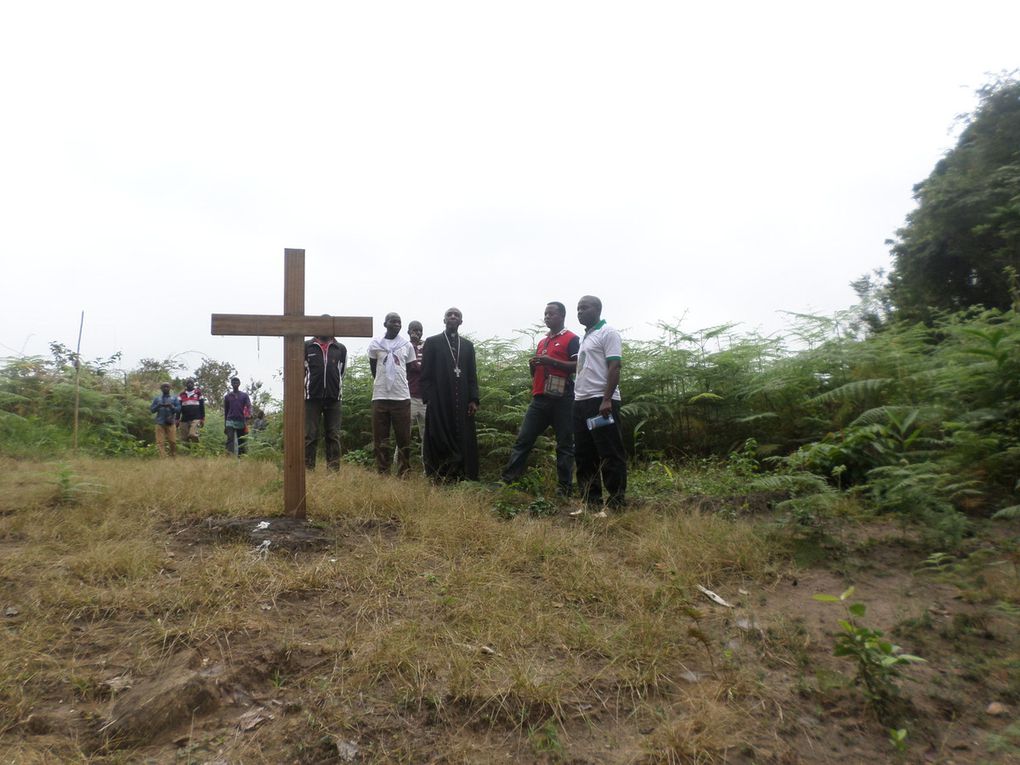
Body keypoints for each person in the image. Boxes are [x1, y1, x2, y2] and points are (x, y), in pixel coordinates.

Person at [501, 302, 579, 496]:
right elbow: (536, 372)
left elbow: (577, 366)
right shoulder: (543, 342)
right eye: (545, 314)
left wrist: (550, 361)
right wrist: (534, 365)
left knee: (564, 444)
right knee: (524, 438)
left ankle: (565, 488)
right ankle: (509, 481)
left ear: (562, 316)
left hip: (563, 398)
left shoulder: (572, 338)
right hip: (540, 398)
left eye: (550, 314)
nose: (546, 317)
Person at [571, 295, 627, 515]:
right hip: (580, 402)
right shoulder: (585, 337)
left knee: (610, 453)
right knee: (584, 455)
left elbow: (614, 367)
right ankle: (590, 503)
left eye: (584, 307)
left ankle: (615, 505)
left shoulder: (608, 333)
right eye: (577, 308)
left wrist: (606, 399)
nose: (579, 312)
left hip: (601, 401)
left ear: (597, 309)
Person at [420, 307, 480, 482]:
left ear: (461, 322)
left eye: (457, 315)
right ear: (444, 320)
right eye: (449, 315)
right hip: (439, 400)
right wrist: (429, 399)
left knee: (463, 436)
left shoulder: (468, 346)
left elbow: (471, 375)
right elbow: (425, 375)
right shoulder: (432, 342)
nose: (453, 317)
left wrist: (474, 399)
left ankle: (463, 475)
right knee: (439, 436)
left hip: (462, 401)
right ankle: (439, 476)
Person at [367, 312, 416, 476]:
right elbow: (374, 368)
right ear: (385, 324)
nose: (397, 324)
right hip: (380, 397)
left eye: (399, 322)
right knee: (381, 440)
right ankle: (383, 473)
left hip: (401, 398)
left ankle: (404, 473)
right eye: (393, 321)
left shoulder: (406, 345)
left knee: (403, 439)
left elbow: (408, 369)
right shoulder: (375, 344)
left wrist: (396, 381)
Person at [304, 328, 347, 470]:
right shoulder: (306, 346)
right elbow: (301, 371)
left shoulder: (340, 348)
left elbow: (342, 372)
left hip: (334, 398)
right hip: (311, 398)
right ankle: (308, 469)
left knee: (333, 435)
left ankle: (333, 471)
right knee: (310, 435)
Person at [406, 320, 427, 441]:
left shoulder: (427, 346)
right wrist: (413, 344)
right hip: (410, 396)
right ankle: (399, 460)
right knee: (404, 433)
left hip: (425, 398)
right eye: (414, 330)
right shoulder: (404, 346)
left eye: (420, 330)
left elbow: (430, 367)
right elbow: (411, 366)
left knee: (426, 435)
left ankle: (426, 460)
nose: (417, 333)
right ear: (408, 331)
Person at [150, 382, 181, 458]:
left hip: (171, 423)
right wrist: (158, 405)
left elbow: (178, 409)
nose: (165, 388)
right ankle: (162, 458)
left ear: (170, 388)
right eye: (164, 387)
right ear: (161, 388)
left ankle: (173, 456)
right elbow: (152, 410)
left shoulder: (174, 398)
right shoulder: (157, 399)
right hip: (160, 423)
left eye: (167, 387)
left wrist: (171, 406)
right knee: (160, 442)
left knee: (172, 441)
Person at [223, 376, 252, 456]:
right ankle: (229, 457)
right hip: (230, 421)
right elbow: (226, 411)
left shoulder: (244, 395)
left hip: (241, 420)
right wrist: (225, 425)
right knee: (230, 439)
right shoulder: (227, 396)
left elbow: (249, 406)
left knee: (241, 440)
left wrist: (249, 414)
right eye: (233, 382)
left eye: (237, 382)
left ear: (239, 384)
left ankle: (241, 457)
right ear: (231, 384)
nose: (235, 383)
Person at [177, 378, 205, 444]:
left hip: (196, 418)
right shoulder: (181, 394)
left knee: (192, 434)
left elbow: (202, 406)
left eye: (191, 383)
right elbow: (179, 408)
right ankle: (186, 453)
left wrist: (202, 418)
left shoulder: (198, 393)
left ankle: (197, 449)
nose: (189, 384)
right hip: (184, 419)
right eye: (188, 383)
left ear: (193, 384)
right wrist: (177, 419)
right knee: (184, 439)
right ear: (186, 384)